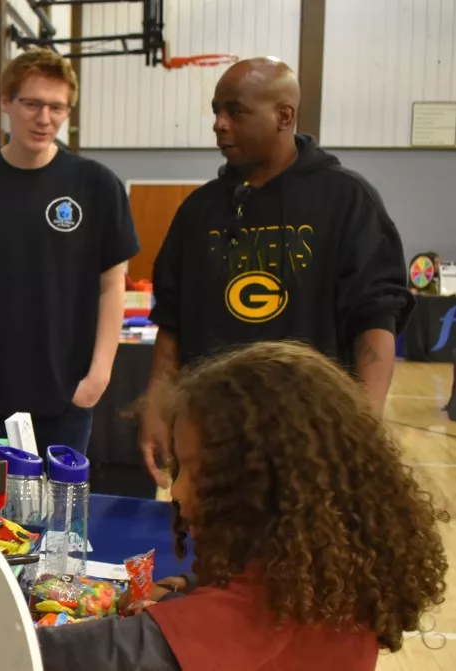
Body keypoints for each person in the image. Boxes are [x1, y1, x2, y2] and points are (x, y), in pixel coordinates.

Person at [38, 341, 449, 670]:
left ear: (258, 489)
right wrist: (186, 589)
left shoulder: (246, 620)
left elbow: (46, 655)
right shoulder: (325, 580)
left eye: (194, 470)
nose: (177, 491)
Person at [141, 57, 413, 486]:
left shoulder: (347, 200)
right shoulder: (198, 211)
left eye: (235, 111)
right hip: (210, 440)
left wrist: (364, 425)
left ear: (284, 116)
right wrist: (158, 409)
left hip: (314, 442)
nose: (219, 124)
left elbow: (374, 317)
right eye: (216, 110)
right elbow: (171, 324)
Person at [0, 48, 139, 457]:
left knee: (60, 499)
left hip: (67, 395)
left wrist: (99, 377)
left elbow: (112, 285)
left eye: (57, 107)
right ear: (6, 101)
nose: (44, 118)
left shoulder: (97, 186)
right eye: (32, 104)